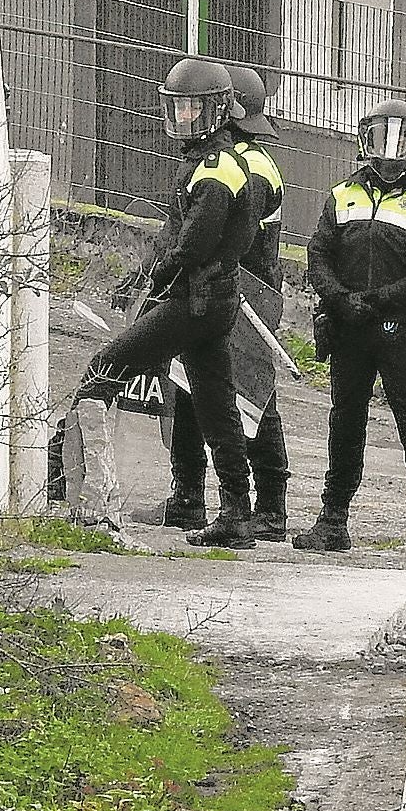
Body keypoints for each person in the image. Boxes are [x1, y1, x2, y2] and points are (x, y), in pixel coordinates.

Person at [47, 58, 257, 547]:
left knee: (106, 366)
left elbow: (191, 245)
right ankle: (237, 515)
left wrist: (152, 279)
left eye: (193, 108)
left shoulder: (215, 170)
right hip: (211, 300)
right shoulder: (215, 162)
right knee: (215, 404)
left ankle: (67, 476)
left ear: (219, 110)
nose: (183, 117)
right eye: (178, 107)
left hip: (194, 300)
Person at [129, 65, 293, 544]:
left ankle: (271, 507)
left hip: (247, 289)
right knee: (187, 389)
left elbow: (219, 234)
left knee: (253, 398)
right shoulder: (219, 158)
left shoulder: (249, 165)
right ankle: (189, 496)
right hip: (215, 288)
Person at [297, 98, 406, 559]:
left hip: (403, 330)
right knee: (345, 423)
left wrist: (376, 301)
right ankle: (333, 520)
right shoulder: (342, 195)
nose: (390, 152)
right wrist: (340, 300)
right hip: (349, 326)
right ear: (365, 141)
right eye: (382, 138)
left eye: (401, 139)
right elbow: (318, 255)